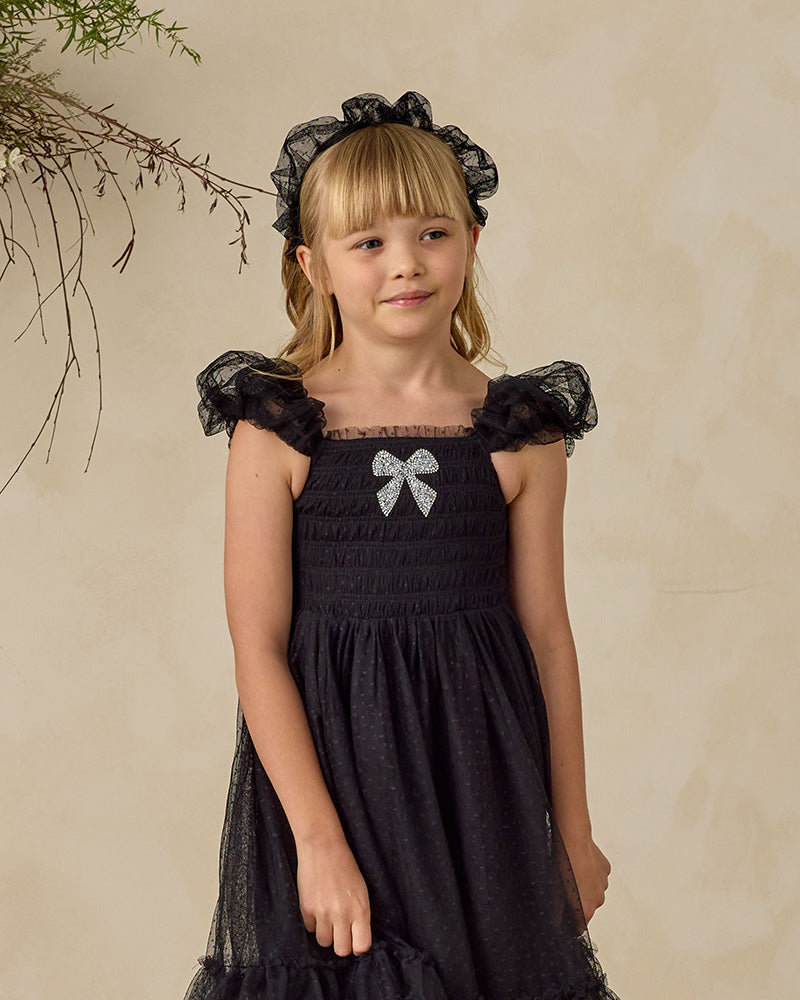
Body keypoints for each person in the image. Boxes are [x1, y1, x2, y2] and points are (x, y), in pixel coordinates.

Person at [183, 90, 621, 1000]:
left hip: (481, 789)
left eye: (433, 232)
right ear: (313, 265)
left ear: (471, 242)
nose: (406, 264)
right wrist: (318, 841)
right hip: (335, 785)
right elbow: (257, 645)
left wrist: (570, 832)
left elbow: (548, 638)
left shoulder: (519, 430)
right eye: (368, 242)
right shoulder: (279, 427)